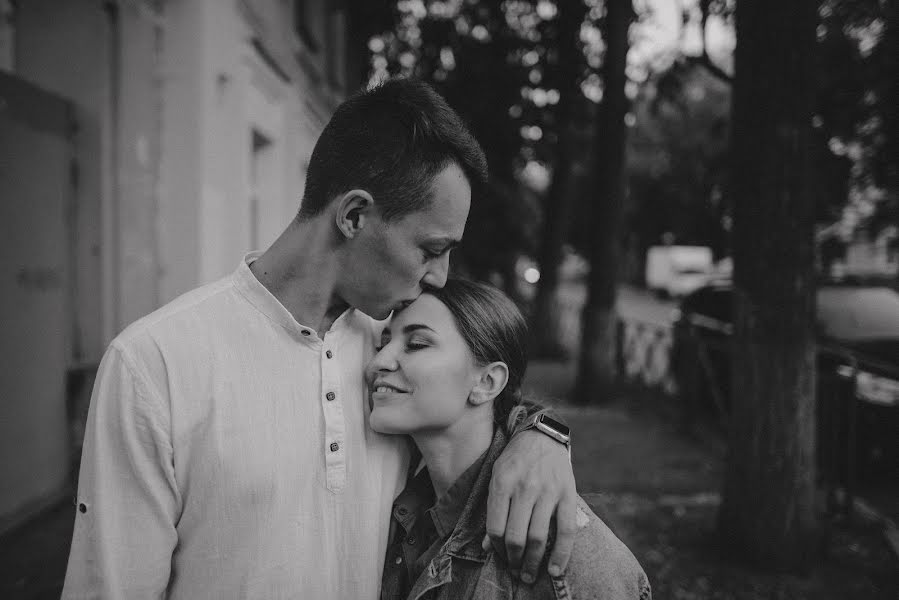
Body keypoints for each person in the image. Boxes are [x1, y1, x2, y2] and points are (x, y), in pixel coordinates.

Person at [62, 78, 578, 599]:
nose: (440, 276)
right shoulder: (155, 362)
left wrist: (543, 434)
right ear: (354, 216)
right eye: (430, 248)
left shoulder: (393, 352)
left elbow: (479, 407)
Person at [369, 279, 651, 599]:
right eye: (382, 344)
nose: (378, 362)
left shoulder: (558, 548)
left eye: (417, 344)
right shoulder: (401, 509)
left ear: (487, 382)